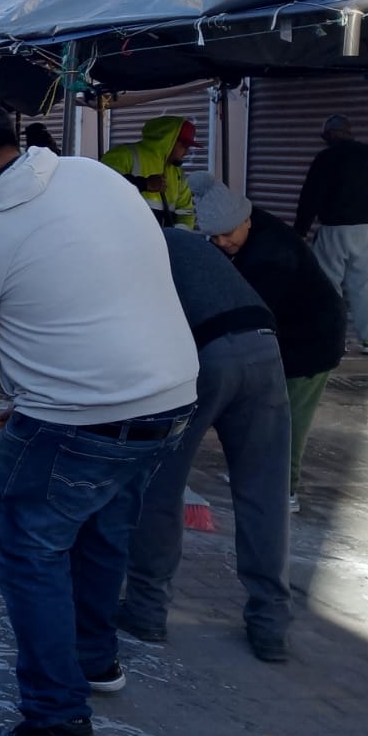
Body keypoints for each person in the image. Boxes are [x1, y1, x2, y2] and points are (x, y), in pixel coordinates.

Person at [0, 99, 198, 736]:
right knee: (101, 529)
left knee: (29, 546)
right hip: (169, 399)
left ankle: (58, 725)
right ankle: (95, 659)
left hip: (75, 414)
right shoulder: (92, 176)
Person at [120, 229, 294, 662]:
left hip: (203, 354)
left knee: (159, 484)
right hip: (264, 344)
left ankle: (146, 610)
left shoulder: (125, 250)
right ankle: (271, 624)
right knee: (264, 491)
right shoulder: (184, 241)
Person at [192, 175, 344, 512]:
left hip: (311, 344)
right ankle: (255, 473)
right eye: (213, 237)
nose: (221, 243)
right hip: (281, 337)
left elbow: (251, 311)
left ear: (245, 220)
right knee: (260, 410)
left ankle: (283, 491)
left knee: (285, 419)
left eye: (227, 234)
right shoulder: (245, 232)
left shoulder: (272, 255)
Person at [295, 114, 368, 354]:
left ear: (330, 135)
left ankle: (333, 337)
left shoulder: (325, 158)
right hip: (364, 231)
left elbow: (310, 197)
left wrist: (300, 231)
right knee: (364, 286)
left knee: (328, 285)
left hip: (333, 230)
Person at [100, 116, 197, 229]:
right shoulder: (125, 155)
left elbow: (186, 212)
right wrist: (144, 184)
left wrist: (179, 235)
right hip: (122, 234)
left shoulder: (178, 174)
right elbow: (102, 185)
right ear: (168, 140)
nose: (187, 152)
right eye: (184, 146)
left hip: (161, 239)